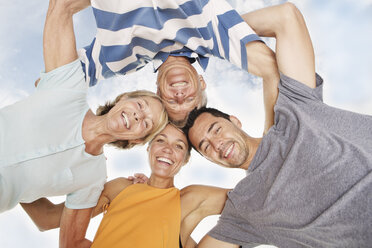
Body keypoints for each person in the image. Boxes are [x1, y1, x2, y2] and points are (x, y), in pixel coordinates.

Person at [182, 2, 372, 247]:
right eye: (206, 147)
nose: (217, 144)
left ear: (235, 121)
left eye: (215, 130)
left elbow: (285, 17)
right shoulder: (243, 209)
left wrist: (198, 41)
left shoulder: (294, 108)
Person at [0, 1, 167, 247]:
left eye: (146, 124)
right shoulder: (69, 87)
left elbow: (48, 222)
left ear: (137, 140)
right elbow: (61, 7)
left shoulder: (93, 179)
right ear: (123, 99)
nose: (137, 117)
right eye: (140, 106)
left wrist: (117, 193)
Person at [21, 124, 230, 248]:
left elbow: (252, 200)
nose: (167, 150)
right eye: (160, 141)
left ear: (184, 159)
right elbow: (46, 218)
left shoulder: (192, 198)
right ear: (148, 148)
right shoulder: (121, 188)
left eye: (178, 146)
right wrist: (13, 174)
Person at [79, 0, 279, 126]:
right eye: (190, 101)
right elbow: (269, 66)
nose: (180, 96)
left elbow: (61, 78)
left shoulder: (119, 59)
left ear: (158, 92)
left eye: (173, 102)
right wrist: (269, 143)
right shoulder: (211, 36)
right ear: (202, 83)